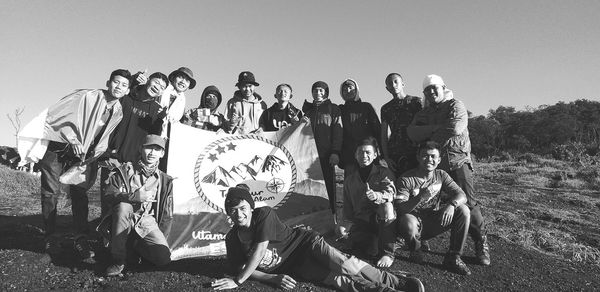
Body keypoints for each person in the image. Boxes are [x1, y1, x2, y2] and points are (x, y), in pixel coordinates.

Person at [211, 187, 425, 292]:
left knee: (345, 265)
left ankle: (396, 281)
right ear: (228, 213)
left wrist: (238, 281)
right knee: (338, 281)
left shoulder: (263, 214)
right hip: (295, 265)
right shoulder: (233, 239)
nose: (239, 214)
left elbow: (258, 252)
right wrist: (272, 278)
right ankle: (383, 291)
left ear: (250, 207)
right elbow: (242, 266)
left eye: (242, 208)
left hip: (306, 244)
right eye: (233, 210)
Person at [25, 69, 132, 259]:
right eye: (116, 82)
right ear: (108, 83)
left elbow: (104, 138)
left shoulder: (117, 112)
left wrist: (94, 154)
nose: (119, 87)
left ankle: (80, 238)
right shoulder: (87, 96)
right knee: (50, 192)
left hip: (82, 156)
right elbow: (57, 113)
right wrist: (73, 138)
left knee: (80, 194)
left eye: (124, 85)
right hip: (58, 149)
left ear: (127, 90)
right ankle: (51, 237)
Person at [406, 74, 490, 266]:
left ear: (443, 88)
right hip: (434, 168)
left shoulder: (455, 105)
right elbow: (412, 133)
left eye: (435, 87)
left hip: (457, 163)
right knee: (427, 202)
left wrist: (429, 135)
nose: (432, 91)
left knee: (467, 203)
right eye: (428, 89)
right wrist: (438, 127)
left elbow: (456, 127)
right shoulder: (423, 113)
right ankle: (422, 239)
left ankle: (481, 244)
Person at [99, 134, 173, 276]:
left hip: (146, 221)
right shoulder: (125, 170)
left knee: (163, 258)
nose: (152, 153)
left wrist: (160, 241)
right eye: (148, 148)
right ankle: (118, 260)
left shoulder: (165, 180)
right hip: (122, 218)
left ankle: (135, 246)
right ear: (141, 149)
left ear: (162, 153)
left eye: (157, 149)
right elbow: (108, 193)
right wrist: (134, 197)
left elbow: (167, 214)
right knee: (123, 207)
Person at [395, 141, 472, 275]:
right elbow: (401, 209)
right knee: (407, 220)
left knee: (463, 210)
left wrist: (452, 205)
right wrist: (420, 197)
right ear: (418, 157)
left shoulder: (441, 175)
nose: (429, 160)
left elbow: (462, 195)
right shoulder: (406, 179)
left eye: (433, 156)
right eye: (425, 155)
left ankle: (454, 256)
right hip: (412, 225)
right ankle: (415, 249)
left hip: (433, 221)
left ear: (439, 160)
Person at [101, 72, 169, 215]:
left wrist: (161, 121)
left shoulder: (157, 112)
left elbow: (153, 141)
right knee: (108, 197)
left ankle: (124, 234)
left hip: (134, 166)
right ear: (147, 80)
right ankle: (104, 233)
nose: (157, 87)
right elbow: (122, 86)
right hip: (112, 158)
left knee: (128, 201)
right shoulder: (125, 98)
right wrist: (134, 79)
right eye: (156, 82)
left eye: (162, 87)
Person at [339, 137, 398, 268]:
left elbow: (391, 194)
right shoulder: (350, 180)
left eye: (368, 152)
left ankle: (388, 253)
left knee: (386, 207)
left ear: (375, 155)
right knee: (353, 244)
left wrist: (377, 195)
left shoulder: (384, 173)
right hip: (362, 221)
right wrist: (344, 226)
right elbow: (348, 209)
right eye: (360, 152)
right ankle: (372, 242)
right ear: (355, 155)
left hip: (380, 219)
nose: (364, 156)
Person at [301, 81, 343, 217]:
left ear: (326, 92)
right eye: (315, 90)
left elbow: (338, 131)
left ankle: (332, 217)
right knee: (311, 188)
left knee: (329, 188)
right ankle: (314, 218)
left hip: (326, 156)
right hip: (309, 156)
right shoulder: (308, 111)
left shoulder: (333, 109)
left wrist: (335, 152)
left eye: (321, 90)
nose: (318, 93)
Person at [380, 73, 422, 177]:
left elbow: (423, 126)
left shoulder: (416, 102)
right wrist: (386, 157)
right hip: (395, 153)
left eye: (396, 82)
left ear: (402, 84)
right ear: (387, 88)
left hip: (416, 151)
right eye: (390, 83)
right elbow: (384, 134)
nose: (393, 85)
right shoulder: (386, 108)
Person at [339, 79, 381, 176]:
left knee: (370, 186)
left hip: (367, 156)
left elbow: (377, 130)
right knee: (351, 187)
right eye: (344, 90)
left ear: (356, 90)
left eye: (350, 88)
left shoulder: (366, 107)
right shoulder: (340, 109)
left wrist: (381, 153)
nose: (348, 91)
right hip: (348, 157)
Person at [158, 67, 196, 136]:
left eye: (187, 80)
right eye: (180, 77)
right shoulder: (161, 88)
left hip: (166, 137)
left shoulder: (182, 101)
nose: (183, 81)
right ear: (173, 78)